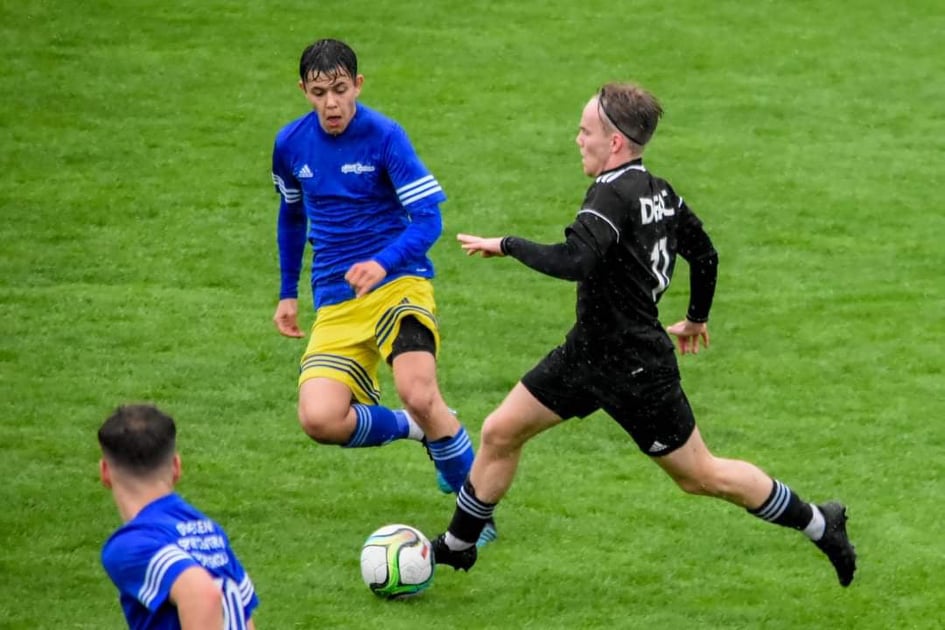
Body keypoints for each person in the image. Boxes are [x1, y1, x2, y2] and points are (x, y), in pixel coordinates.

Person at [431, 82, 857, 587]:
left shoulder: (611, 194)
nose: (578, 140)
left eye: (585, 131)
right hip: (587, 353)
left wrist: (507, 244)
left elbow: (575, 260)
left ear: (614, 142)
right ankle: (458, 546)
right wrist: (696, 317)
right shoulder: (661, 192)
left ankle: (820, 522)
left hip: (635, 368)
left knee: (701, 475)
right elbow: (705, 254)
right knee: (502, 431)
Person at [269, 38, 490, 541]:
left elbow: (429, 219)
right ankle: (417, 428)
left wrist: (381, 262)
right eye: (319, 93)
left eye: (340, 90)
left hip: (399, 284)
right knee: (320, 419)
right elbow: (291, 216)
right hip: (336, 300)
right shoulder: (290, 144)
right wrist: (287, 292)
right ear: (303, 91)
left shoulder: (386, 135)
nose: (331, 103)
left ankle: (474, 520)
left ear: (358, 86)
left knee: (419, 391)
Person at [98, 404, 259, 629]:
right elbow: (243, 616)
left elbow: (202, 594)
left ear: (105, 472)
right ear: (176, 467)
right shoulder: (208, 531)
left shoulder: (132, 544)